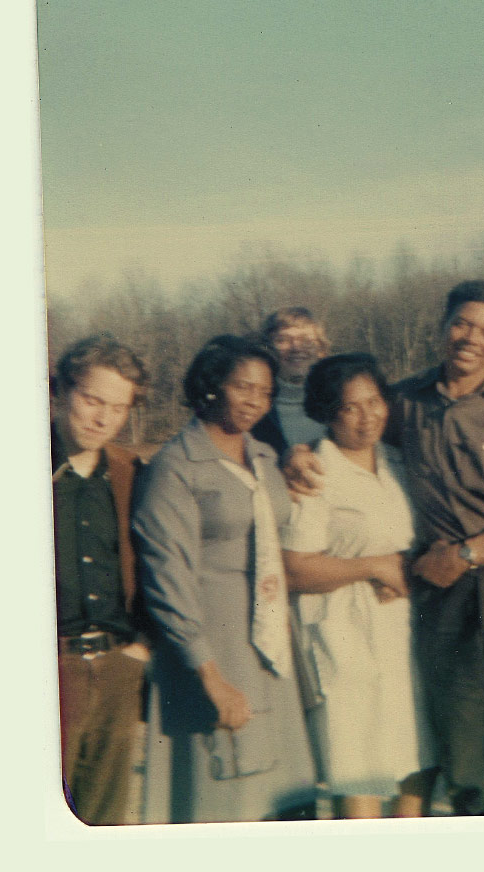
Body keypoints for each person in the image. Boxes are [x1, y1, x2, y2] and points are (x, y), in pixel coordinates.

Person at [286, 280, 484, 816]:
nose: (471, 338)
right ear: (442, 328)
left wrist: (467, 554)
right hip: (443, 597)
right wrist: (298, 454)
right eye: (462, 323)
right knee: (462, 759)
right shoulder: (405, 403)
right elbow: (346, 424)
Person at [132, 335, 318, 822]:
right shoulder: (174, 467)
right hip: (215, 653)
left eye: (264, 391)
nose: (255, 400)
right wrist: (210, 676)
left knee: (282, 795)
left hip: (272, 646)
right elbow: (166, 576)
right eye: (242, 387)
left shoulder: (262, 457)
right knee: (226, 797)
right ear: (212, 387)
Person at [281, 352, 437, 818]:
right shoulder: (314, 471)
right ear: (328, 412)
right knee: (359, 766)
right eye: (351, 407)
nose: (368, 416)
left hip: (405, 630)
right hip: (343, 634)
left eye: (375, 401)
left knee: (416, 754)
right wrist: (373, 566)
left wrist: (400, 568)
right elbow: (295, 568)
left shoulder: (399, 462)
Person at [51, 333, 153, 825]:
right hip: (54, 670)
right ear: (61, 389)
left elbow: (153, 561)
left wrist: (139, 649)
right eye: (92, 400)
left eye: (117, 408)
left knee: (106, 823)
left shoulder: (130, 472)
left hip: (117, 668)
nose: (102, 418)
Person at [252, 307, 329, 456]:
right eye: (283, 340)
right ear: (268, 349)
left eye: (306, 340)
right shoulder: (255, 409)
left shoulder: (341, 402)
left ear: (321, 350)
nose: (296, 348)